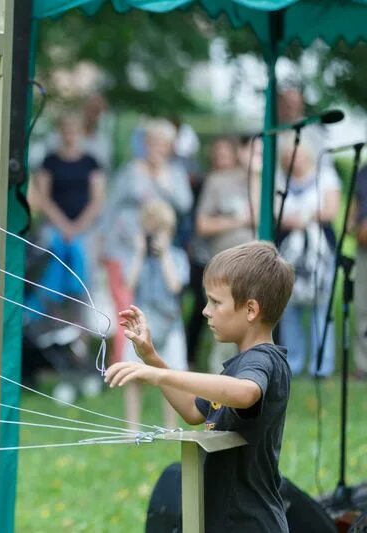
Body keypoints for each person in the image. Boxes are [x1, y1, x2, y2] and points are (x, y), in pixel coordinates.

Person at [106, 241, 295, 532]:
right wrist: (152, 358)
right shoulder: (240, 365)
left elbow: (245, 393)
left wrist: (160, 377)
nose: (206, 311)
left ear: (250, 309)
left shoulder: (264, 362)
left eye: (216, 302)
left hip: (251, 525)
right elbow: (195, 411)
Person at [101, 118, 192, 364]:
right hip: (126, 248)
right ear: (145, 144)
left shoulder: (174, 173)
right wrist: (105, 246)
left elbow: (185, 205)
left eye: (163, 145)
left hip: (162, 253)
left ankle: (156, 359)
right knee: (126, 305)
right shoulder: (130, 172)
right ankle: (122, 363)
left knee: (161, 305)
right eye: (153, 143)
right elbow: (110, 209)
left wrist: (165, 185)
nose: (157, 149)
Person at [192, 136, 262, 371]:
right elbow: (202, 224)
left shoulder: (262, 180)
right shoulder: (217, 181)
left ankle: (249, 375)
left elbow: (260, 217)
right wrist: (237, 221)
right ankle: (221, 379)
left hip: (253, 265)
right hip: (223, 264)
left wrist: (254, 175)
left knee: (251, 322)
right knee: (224, 322)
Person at [27, 115, 105, 318]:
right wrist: (64, 226)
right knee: (49, 272)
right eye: (67, 130)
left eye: (74, 131)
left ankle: (79, 328)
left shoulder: (91, 162)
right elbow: (43, 198)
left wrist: (77, 227)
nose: (70, 135)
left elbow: (97, 200)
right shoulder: (50, 161)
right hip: (55, 229)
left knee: (84, 278)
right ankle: (44, 320)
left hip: (84, 230)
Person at [122, 199, 188, 429]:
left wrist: (165, 255)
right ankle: (132, 428)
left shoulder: (177, 256)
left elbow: (175, 286)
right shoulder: (138, 257)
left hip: (170, 325)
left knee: (170, 376)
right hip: (141, 323)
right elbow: (128, 284)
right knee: (134, 377)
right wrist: (140, 254)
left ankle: (170, 427)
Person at [276, 142, 340, 378]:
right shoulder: (279, 179)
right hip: (288, 251)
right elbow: (276, 213)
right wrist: (300, 219)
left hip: (319, 253)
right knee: (289, 308)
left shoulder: (326, 176)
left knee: (320, 308)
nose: (295, 159)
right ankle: (292, 362)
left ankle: (321, 366)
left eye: (300, 155)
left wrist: (303, 217)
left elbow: (331, 211)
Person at [352, 166, 367, 379]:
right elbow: (357, 204)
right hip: (364, 247)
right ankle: (364, 365)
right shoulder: (364, 171)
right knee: (363, 307)